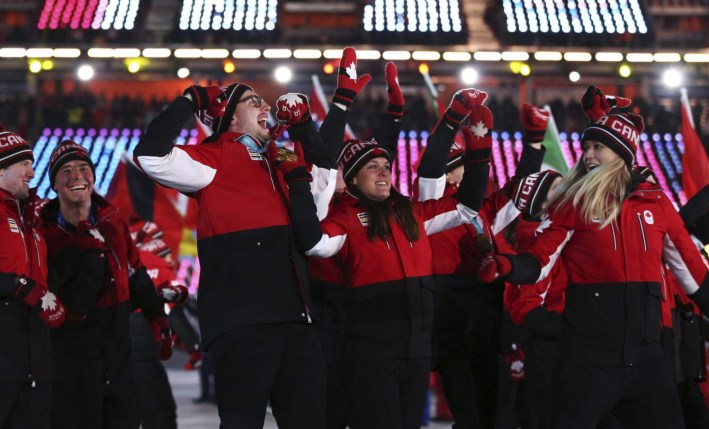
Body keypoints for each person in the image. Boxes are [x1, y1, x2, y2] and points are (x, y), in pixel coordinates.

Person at [479, 85, 709, 429]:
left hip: (648, 359)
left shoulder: (657, 204)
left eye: (597, 147)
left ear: (621, 154)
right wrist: (508, 266)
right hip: (589, 360)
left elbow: (691, 270)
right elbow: (541, 258)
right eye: (586, 146)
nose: (587, 154)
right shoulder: (573, 204)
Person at [280, 88, 492, 429]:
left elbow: (465, 205)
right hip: (370, 355)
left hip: (418, 352)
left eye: (386, 166)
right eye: (372, 167)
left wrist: (478, 148)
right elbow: (315, 244)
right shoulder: (345, 219)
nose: (383, 173)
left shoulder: (414, 212)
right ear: (350, 179)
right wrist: (299, 179)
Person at [135, 80, 336, 427]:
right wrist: (190, 100)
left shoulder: (280, 155)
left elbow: (321, 192)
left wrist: (304, 127)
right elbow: (151, 156)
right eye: (253, 101)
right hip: (243, 325)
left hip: (296, 322)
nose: (266, 108)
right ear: (229, 118)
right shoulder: (214, 155)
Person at [415, 102, 551, 429]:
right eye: (465, 165)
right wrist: (452, 122)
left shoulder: (483, 210)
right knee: (470, 416)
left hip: (488, 323)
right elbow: (430, 170)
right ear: (450, 171)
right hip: (453, 324)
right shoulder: (428, 205)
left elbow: (521, 191)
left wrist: (533, 139)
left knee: (492, 417)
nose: (473, 172)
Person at [39, 139, 170, 429]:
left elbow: (135, 271)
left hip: (118, 362)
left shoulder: (114, 221)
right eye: (66, 170)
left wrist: (156, 314)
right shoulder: (44, 235)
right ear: (54, 184)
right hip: (72, 368)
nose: (77, 176)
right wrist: (90, 251)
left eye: (84, 168)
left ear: (94, 176)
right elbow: (74, 306)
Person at [0, 126, 65, 429]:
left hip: (36, 365)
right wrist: (18, 285)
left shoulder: (32, 220)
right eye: (24, 163)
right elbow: (21, 283)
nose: (32, 170)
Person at [128, 217, 190, 429]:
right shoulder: (154, 261)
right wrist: (194, 345)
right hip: (142, 352)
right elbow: (171, 307)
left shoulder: (119, 260)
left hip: (113, 356)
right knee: (161, 411)